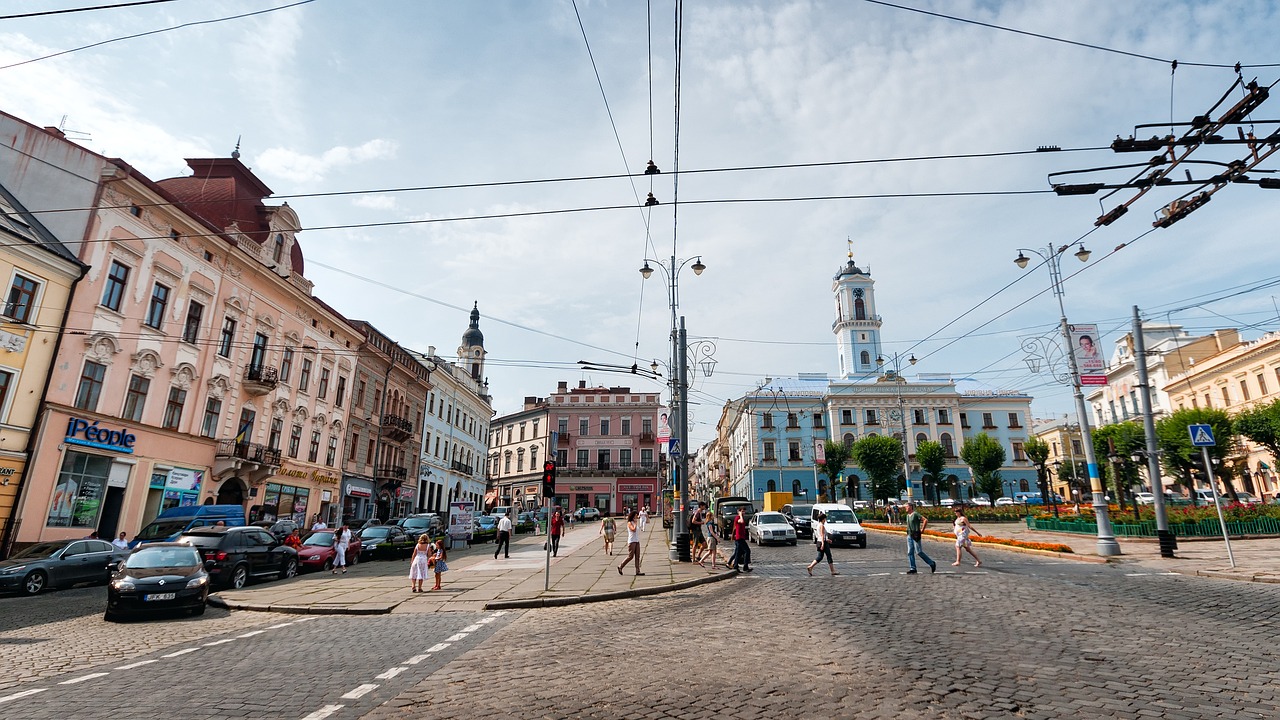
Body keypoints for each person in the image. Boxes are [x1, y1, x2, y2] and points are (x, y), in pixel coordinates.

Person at [903, 502, 937, 574]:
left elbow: (925, 520)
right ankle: (913, 568)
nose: (905, 508)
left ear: (910, 507)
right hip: (909, 535)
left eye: (906, 507)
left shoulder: (915, 514)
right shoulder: (907, 515)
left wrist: (922, 530)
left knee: (919, 551)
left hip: (915, 535)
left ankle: (931, 563)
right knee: (910, 552)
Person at [806, 512, 838, 576]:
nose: (825, 520)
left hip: (819, 541)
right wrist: (823, 543)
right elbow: (822, 535)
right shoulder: (822, 526)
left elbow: (820, 536)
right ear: (823, 519)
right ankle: (832, 571)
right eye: (825, 518)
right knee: (829, 556)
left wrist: (827, 540)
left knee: (820, 557)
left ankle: (811, 567)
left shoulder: (818, 525)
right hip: (823, 543)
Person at [616, 510, 644, 576]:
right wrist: (635, 523)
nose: (637, 516)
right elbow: (633, 530)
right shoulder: (629, 523)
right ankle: (620, 566)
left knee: (637, 556)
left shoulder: (635, 522)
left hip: (637, 541)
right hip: (632, 541)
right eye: (636, 515)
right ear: (633, 516)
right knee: (630, 556)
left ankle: (638, 571)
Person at [730, 507, 752, 572]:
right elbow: (741, 521)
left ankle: (735, 566)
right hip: (739, 538)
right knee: (747, 551)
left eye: (744, 511)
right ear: (739, 511)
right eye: (742, 511)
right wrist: (740, 515)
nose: (743, 513)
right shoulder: (737, 518)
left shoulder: (741, 517)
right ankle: (745, 566)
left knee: (738, 553)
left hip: (741, 537)